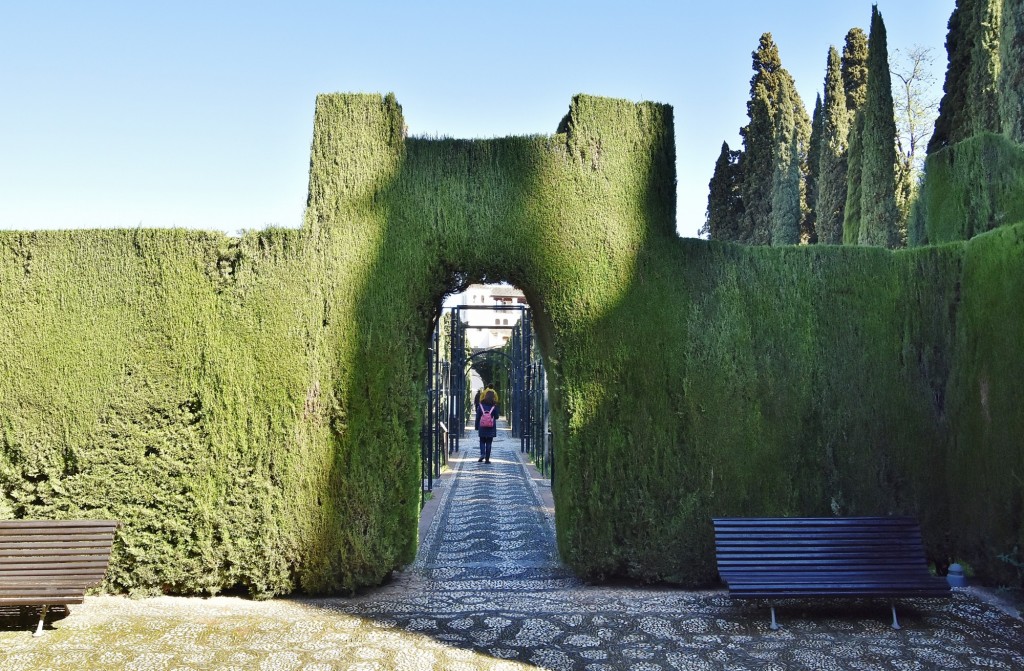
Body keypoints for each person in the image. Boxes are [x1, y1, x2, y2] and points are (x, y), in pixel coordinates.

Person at [476, 389, 500, 463]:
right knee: (489, 442)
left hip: (482, 426)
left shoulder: (481, 405)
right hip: (491, 427)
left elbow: (477, 417)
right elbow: (496, 416)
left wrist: (476, 426)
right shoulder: (494, 406)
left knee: (482, 441)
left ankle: (482, 454)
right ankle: (487, 459)